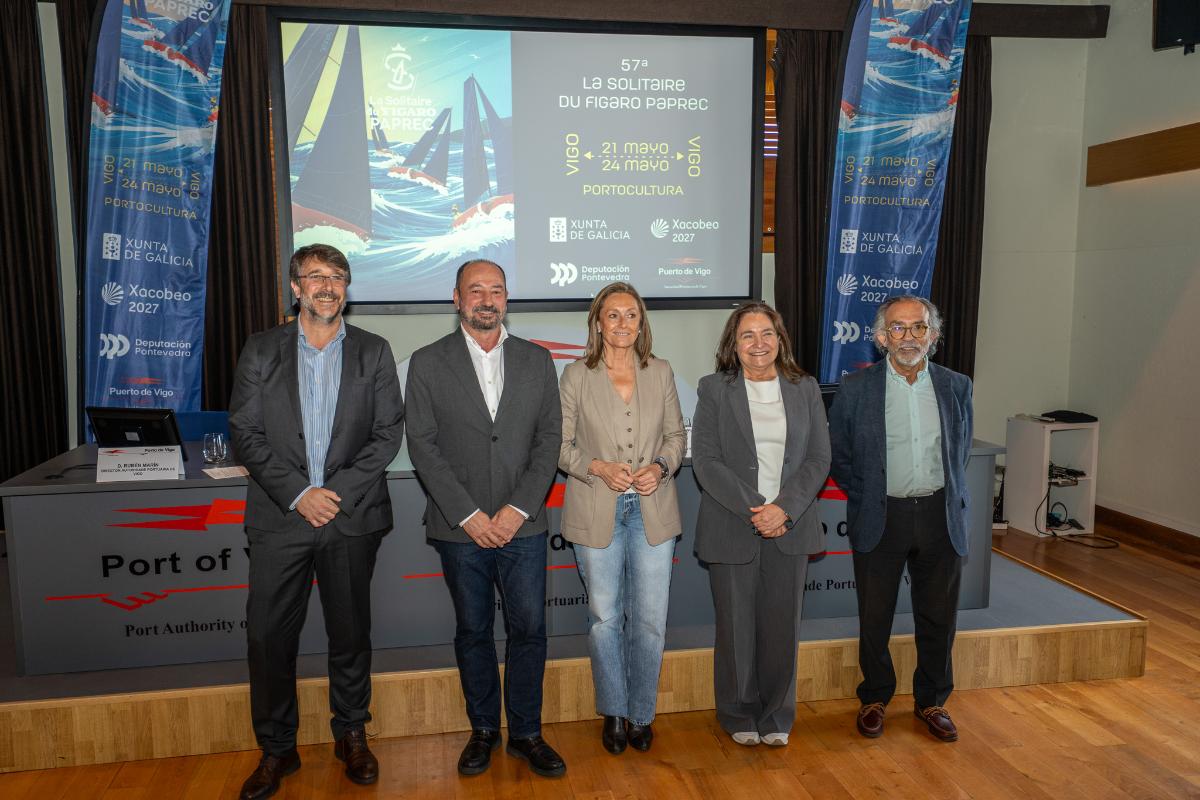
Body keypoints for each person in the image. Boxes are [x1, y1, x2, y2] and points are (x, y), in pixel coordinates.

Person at [228, 244, 404, 799]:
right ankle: (277, 749)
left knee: (350, 633)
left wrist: (333, 495)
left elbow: (387, 434)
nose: (327, 286)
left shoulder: (374, 352)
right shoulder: (261, 351)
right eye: (315, 277)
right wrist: (301, 493)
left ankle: (351, 732)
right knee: (267, 638)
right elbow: (246, 434)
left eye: (337, 277)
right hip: (281, 517)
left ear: (346, 288)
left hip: (349, 517)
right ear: (295, 287)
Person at [404, 259, 566, 777]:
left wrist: (518, 510)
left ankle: (525, 733)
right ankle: (483, 731)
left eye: (495, 289)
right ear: (457, 299)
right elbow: (423, 447)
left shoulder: (538, 361)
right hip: (460, 528)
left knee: (530, 630)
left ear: (506, 298)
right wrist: (470, 515)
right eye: (476, 290)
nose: (486, 299)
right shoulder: (427, 363)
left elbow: (549, 441)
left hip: (525, 525)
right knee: (473, 631)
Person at [827, 295, 973, 743]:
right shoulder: (855, 389)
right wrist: (871, 495)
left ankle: (932, 701)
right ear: (879, 337)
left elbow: (959, 450)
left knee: (938, 616)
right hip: (880, 513)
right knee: (875, 617)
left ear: (933, 336)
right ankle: (874, 697)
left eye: (918, 327)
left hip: (938, 515)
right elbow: (842, 458)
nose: (908, 337)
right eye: (897, 328)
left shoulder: (956, 385)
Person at [691, 302, 831, 747]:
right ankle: (737, 713)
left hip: (791, 523)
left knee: (781, 627)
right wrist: (757, 508)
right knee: (735, 628)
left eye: (767, 333)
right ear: (734, 343)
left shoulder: (804, 387)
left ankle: (776, 715)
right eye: (748, 335)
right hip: (734, 523)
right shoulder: (714, 389)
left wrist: (784, 508)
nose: (758, 343)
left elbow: (819, 457)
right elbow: (706, 461)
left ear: (780, 339)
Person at [558, 282, 686, 755]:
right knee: (604, 618)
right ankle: (614, 711)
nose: (622, 324)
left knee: (650, 621)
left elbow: (676, 436)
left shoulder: (662, 371)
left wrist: (660, 467)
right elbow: (559, 444)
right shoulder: (575, 375)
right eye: (612, 315)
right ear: (597, 323)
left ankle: (642, 714)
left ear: (641, 322)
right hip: (596, 508)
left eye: (631, 315)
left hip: (653, 508)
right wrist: (597, 467)